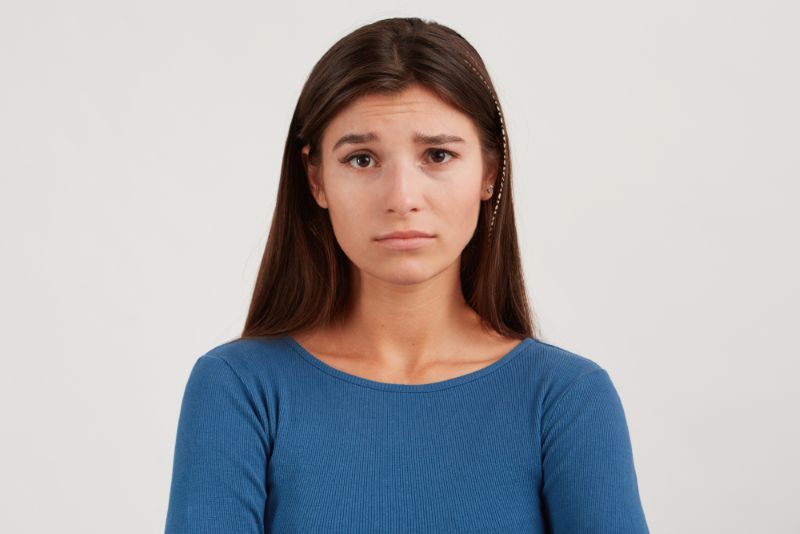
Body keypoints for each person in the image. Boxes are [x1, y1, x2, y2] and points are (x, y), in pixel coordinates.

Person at [164, 16, 649, 534]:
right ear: (316, 178)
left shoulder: (567, 399)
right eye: (362, 159)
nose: (402, 198)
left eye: (437, 155)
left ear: (489, 171)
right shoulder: (239, 390)